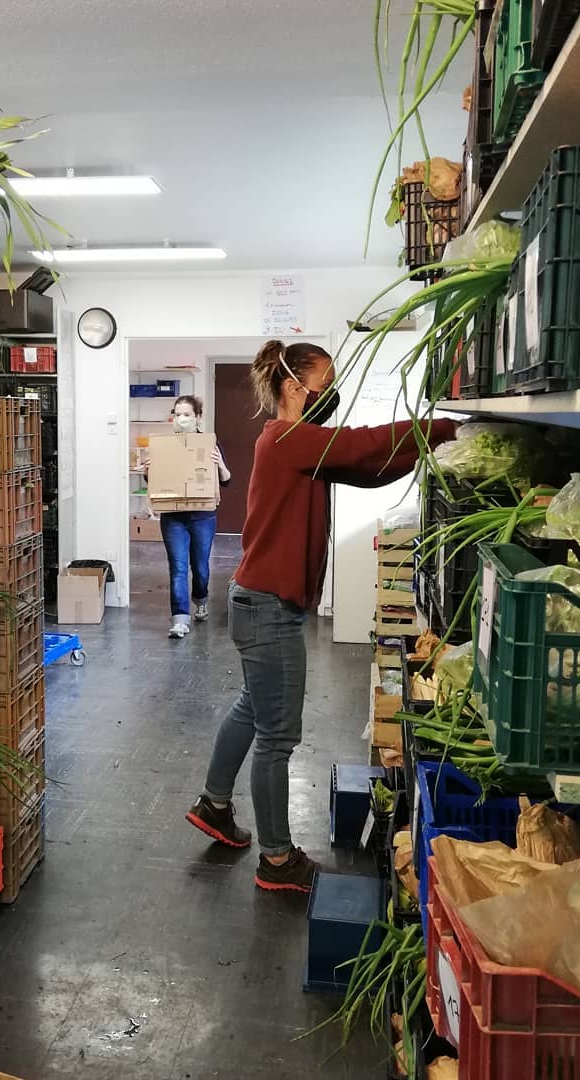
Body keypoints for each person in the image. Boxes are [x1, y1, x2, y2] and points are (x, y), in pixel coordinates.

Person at [185, 341, 456, 892]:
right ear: (293, 387)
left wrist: (424, 450)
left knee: (252, 707)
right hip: (268, 609)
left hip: (255, 601)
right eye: (324, 385)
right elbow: (361, 445)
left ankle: (214, 804)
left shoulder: (296, 443)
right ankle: (277, 860)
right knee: (277, 738)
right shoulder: (288, 439)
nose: (331, 395)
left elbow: (366, 466)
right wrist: (443, 428)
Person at [158, 395, 231, 639]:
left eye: (187, 414)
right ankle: (180, 619)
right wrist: (150, 469)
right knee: (178, 568)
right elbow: (154, 481)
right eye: (177, 414)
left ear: (198, 417)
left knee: (200, 568)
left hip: (203, 516)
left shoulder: (209, 445)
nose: (181, 419)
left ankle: (201, 598)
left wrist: (220, 464)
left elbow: (226, 480)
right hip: (173, 517)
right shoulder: (165, 446)